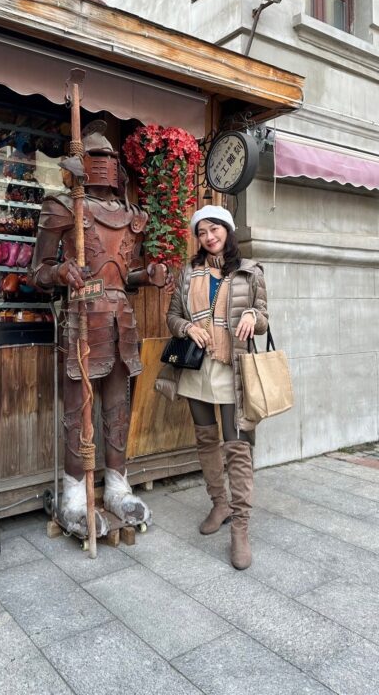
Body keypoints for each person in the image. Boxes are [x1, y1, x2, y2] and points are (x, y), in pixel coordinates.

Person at [31, 121, 173, 538]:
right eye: (100, 158)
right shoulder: (63, 207)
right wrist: (60, 270)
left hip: (120, 317)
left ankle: (116, 485)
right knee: (78, 408)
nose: (107, 165)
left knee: (117, 405)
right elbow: (35, 272)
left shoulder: (133, 217)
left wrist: (148, 275)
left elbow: (121, 275)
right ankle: (74, 493)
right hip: (80, 316)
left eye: (112, 159)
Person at [166, 204, 268, 569]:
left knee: (236, 446)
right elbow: (172, 316)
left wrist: (254, 316)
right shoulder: (188, 273)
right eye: (202, 232)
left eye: (215, 229)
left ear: (227, 229)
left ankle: (240, 527)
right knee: (206, 438)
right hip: (196, 368)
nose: (209, 237)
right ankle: (218, 503)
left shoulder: (249, 271)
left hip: (231, 370)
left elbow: (263, 318)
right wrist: (186, 328)